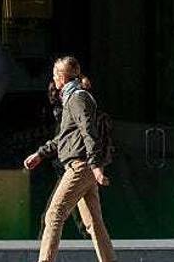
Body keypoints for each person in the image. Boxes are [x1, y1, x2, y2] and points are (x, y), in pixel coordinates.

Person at [24, 56, 115, 262]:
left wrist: (96, 166)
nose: (53, 79)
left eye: (55, 75)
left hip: (80, 166)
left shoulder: (77, 99)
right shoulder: (71, 98)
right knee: (94, 223)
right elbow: (64, 137)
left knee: (54, 214)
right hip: (84, 166)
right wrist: (40, 154)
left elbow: (88, 132)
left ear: (62, 77)